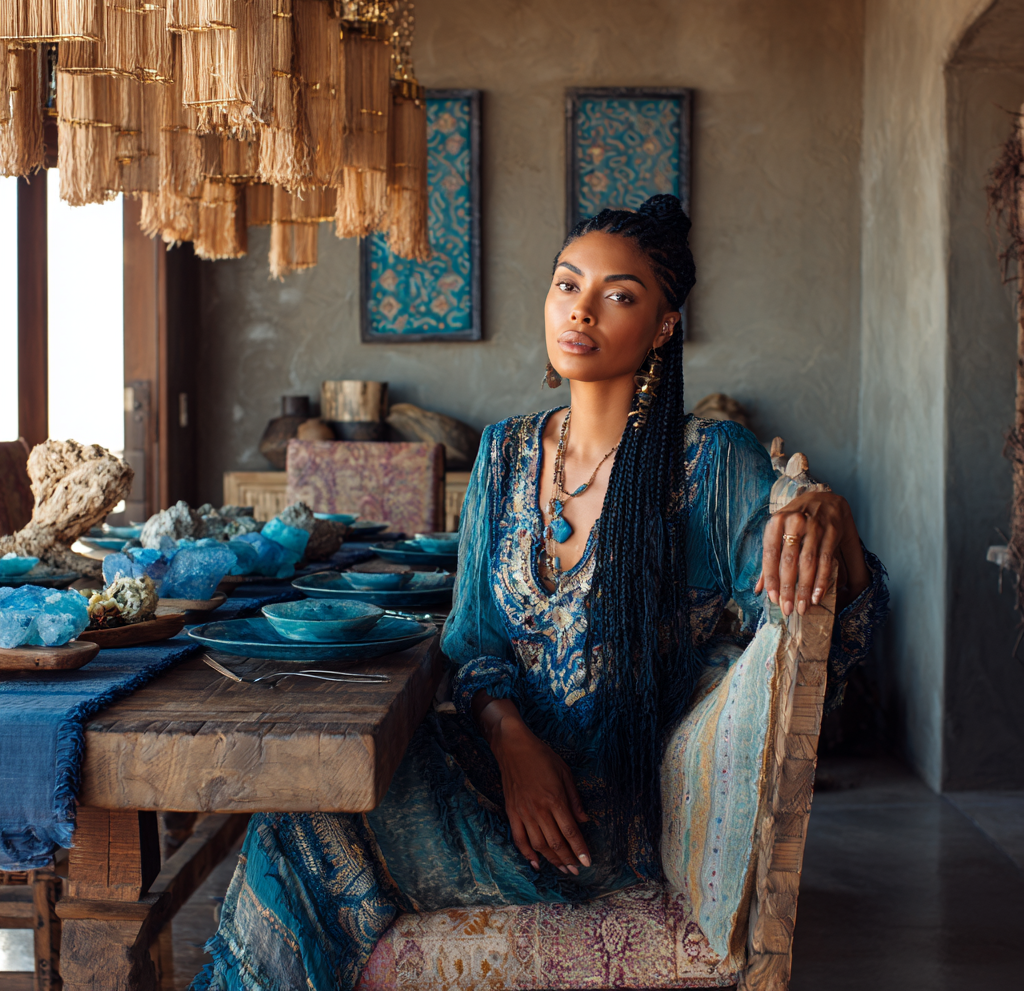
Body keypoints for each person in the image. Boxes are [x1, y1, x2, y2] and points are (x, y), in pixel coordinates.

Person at [190, 195, 887, 991]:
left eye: (618, 295)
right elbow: (473, 644)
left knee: (303, 838)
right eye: (567, 285)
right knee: (300, 811)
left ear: (663, 327)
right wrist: (512, 741)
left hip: (604, 829)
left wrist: (832, 518)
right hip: (495, 772)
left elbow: (830, 636)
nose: (581, 310)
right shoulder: (504, 452)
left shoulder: (707, 465)